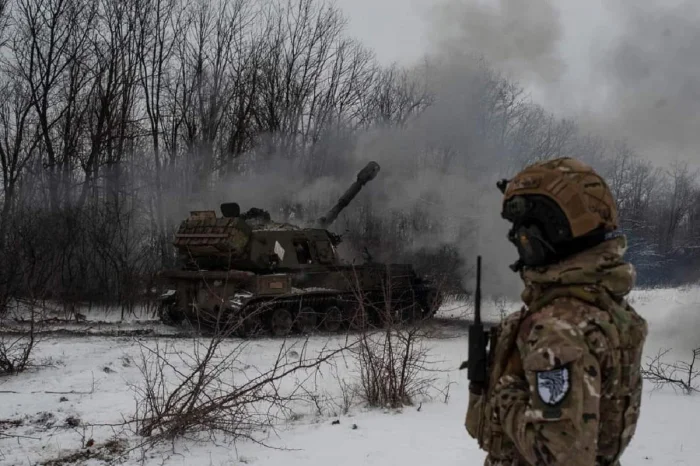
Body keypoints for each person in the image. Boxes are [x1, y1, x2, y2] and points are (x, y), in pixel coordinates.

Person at [464, 157, 648, 466]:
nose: (516, 238)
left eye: (523, 229)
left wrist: (505, 394)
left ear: (552, 230)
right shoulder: (601, 309)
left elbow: (563, 457)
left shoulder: (558, 329)